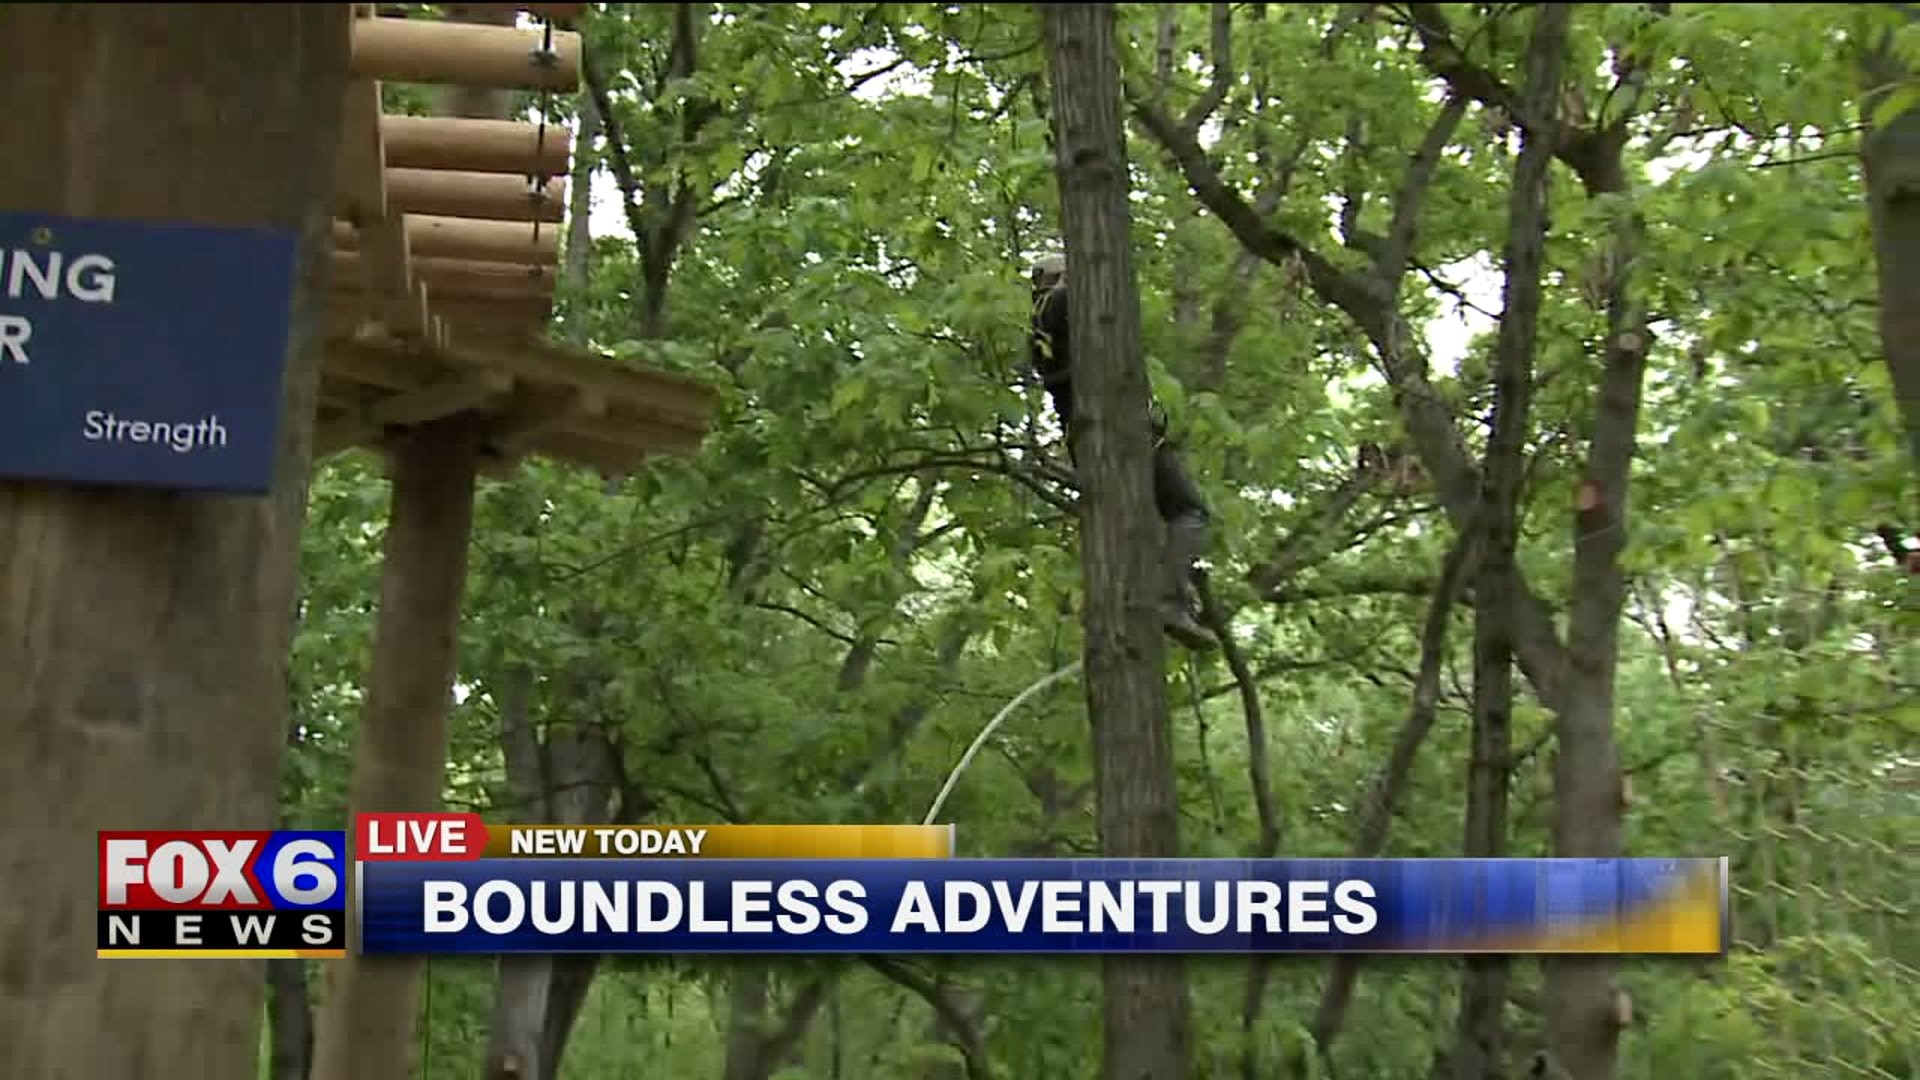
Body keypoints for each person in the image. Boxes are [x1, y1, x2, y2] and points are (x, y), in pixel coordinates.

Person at [1028, 253, 1218, 651]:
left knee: (1140, 527)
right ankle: (1169, 599)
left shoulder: (1043, 327)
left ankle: (1168, 591)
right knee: (1189, 510)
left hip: (1092, 438)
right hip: (1120, 431)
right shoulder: (1056, 306)